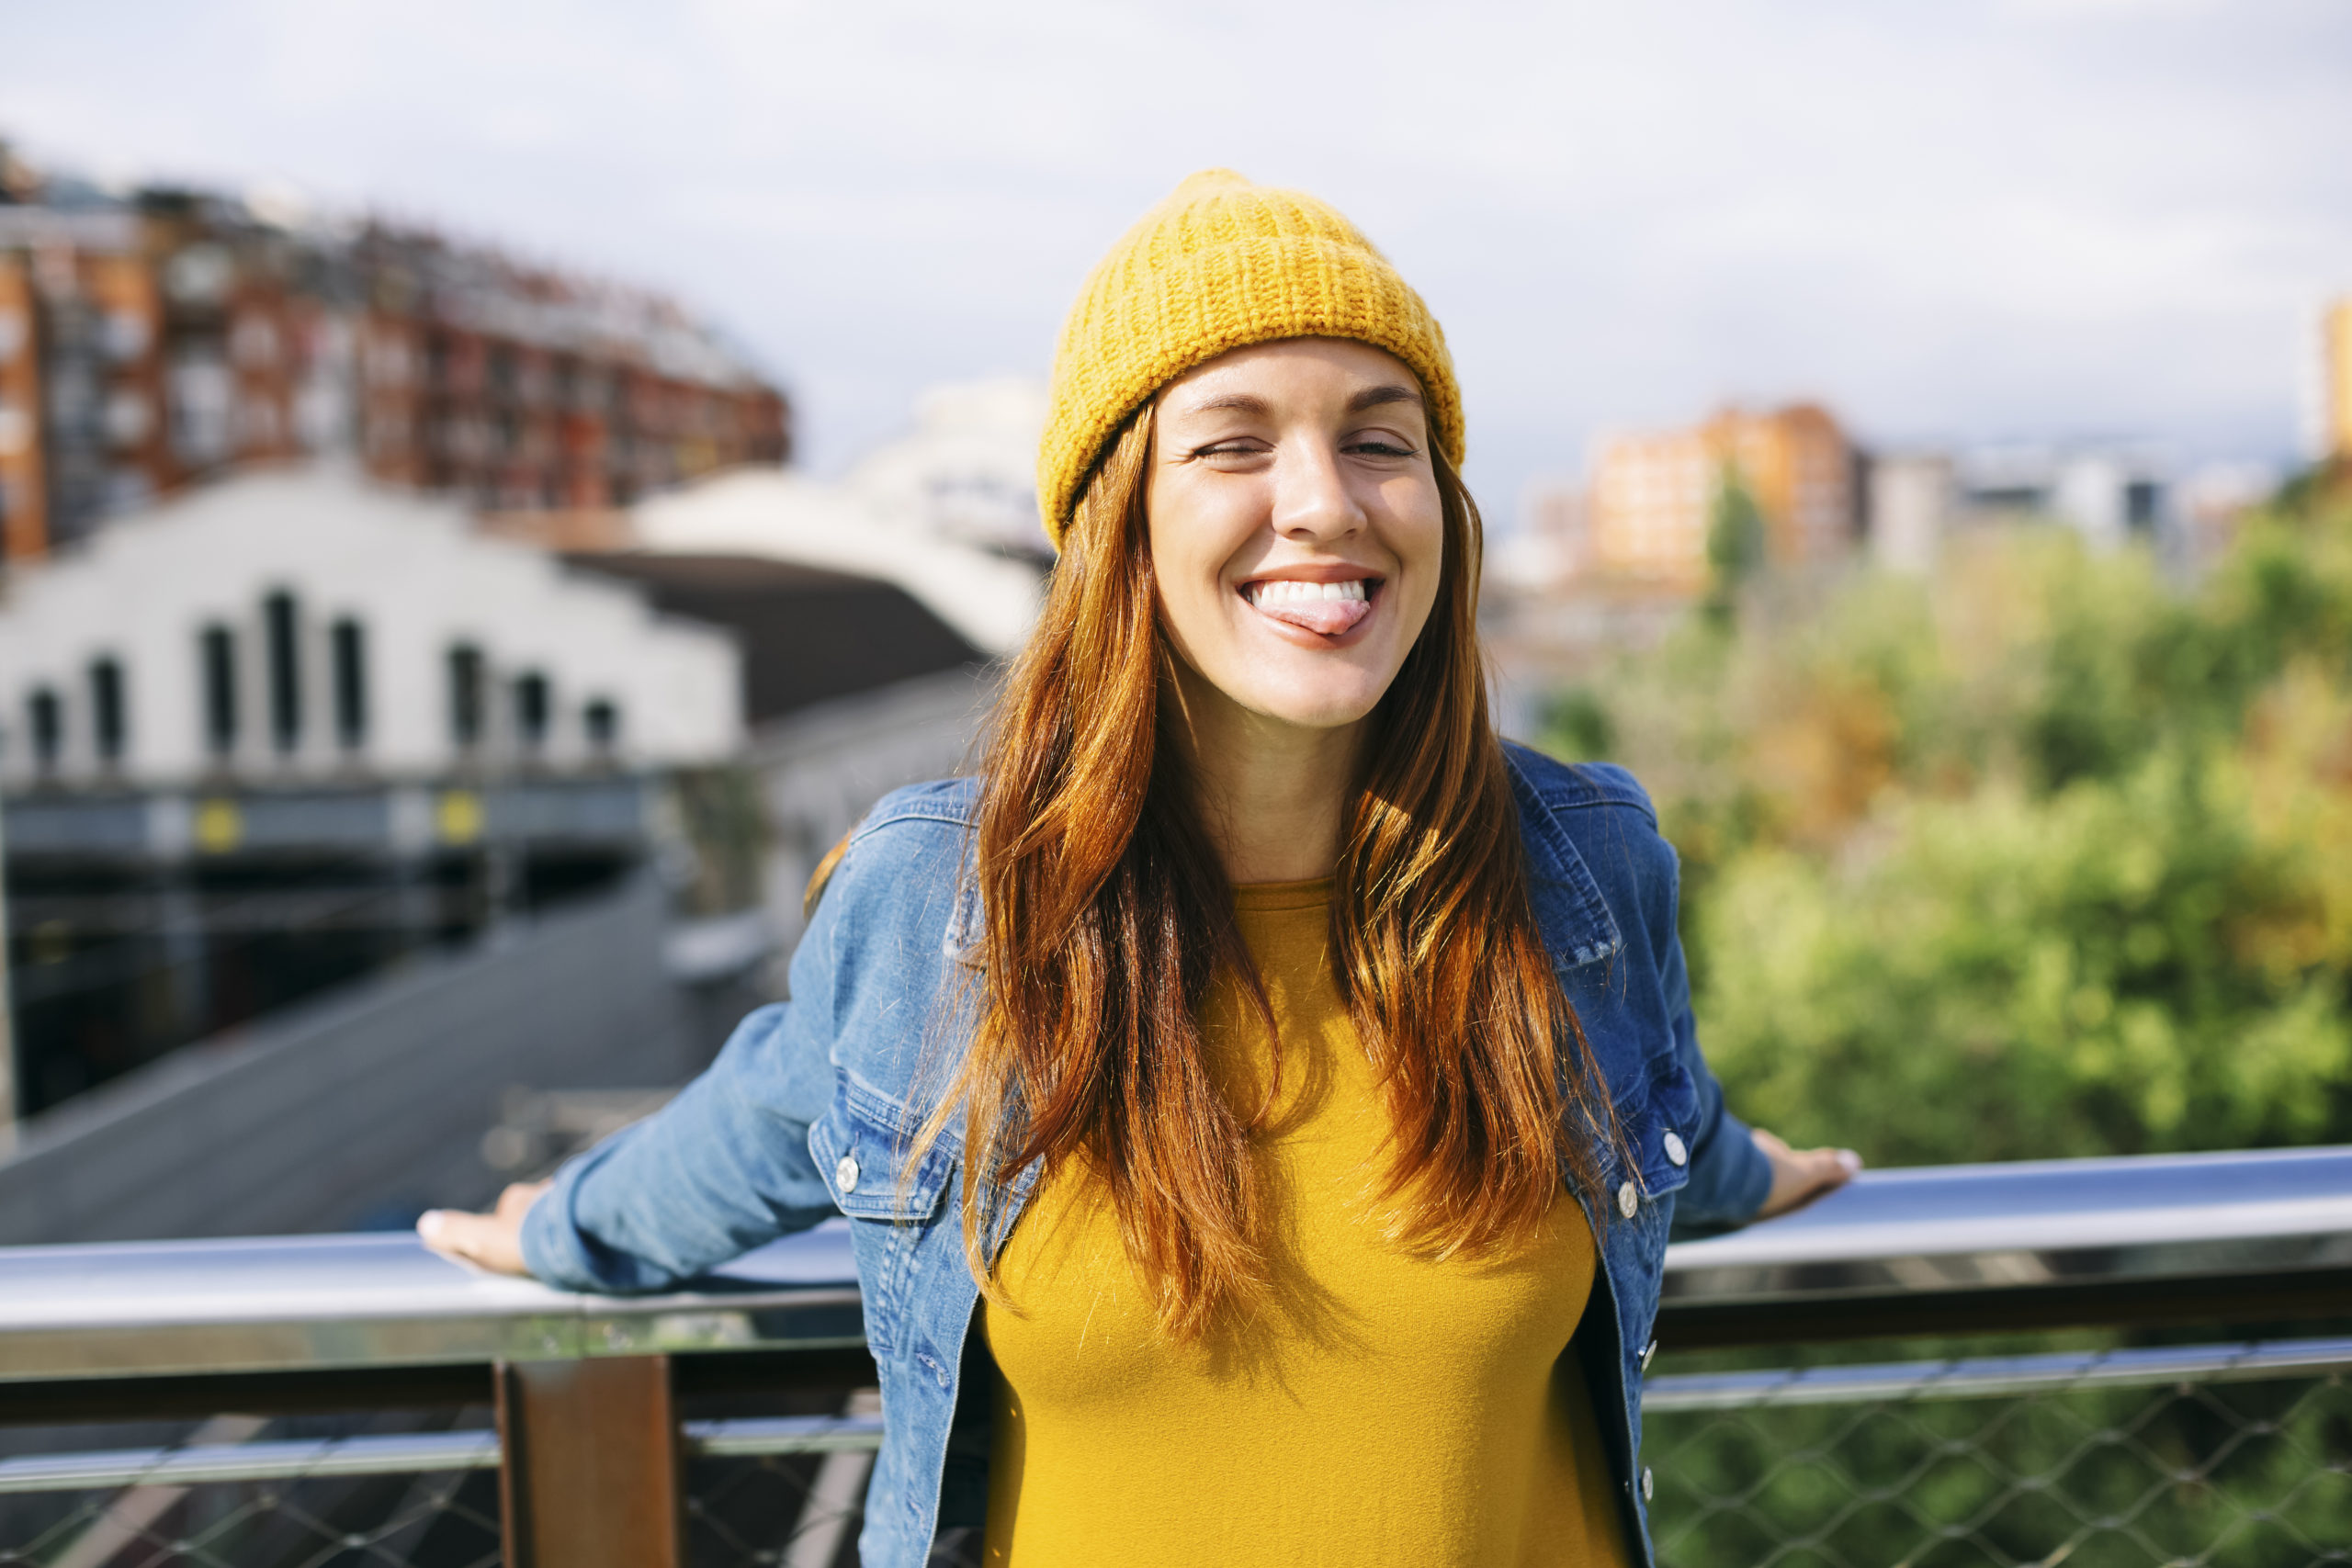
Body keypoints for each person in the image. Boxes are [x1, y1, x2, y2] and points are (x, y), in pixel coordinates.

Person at [420, 169, 1859, 1568]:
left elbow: (1656, 1106)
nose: (1323, 504)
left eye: (1380, 438)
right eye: (1234, 444)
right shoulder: (948, 909)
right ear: (1124, 523)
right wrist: (564, 1227)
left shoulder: (1580, 872)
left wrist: (1751, 1172)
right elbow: (770, 1111)